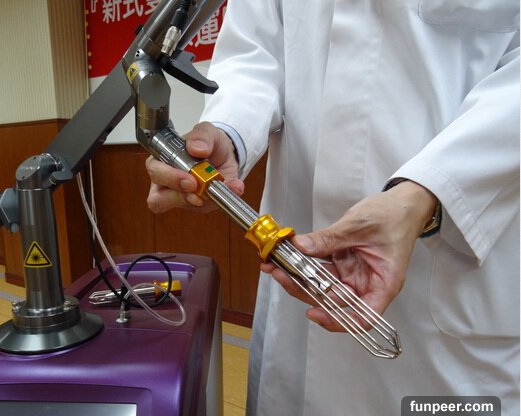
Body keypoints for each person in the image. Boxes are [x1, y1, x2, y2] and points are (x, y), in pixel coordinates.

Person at [145, 1, 520, 414]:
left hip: (445, 283)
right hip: (298, 288)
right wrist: (229, 133)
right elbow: (254, 56)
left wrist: (426, 191)